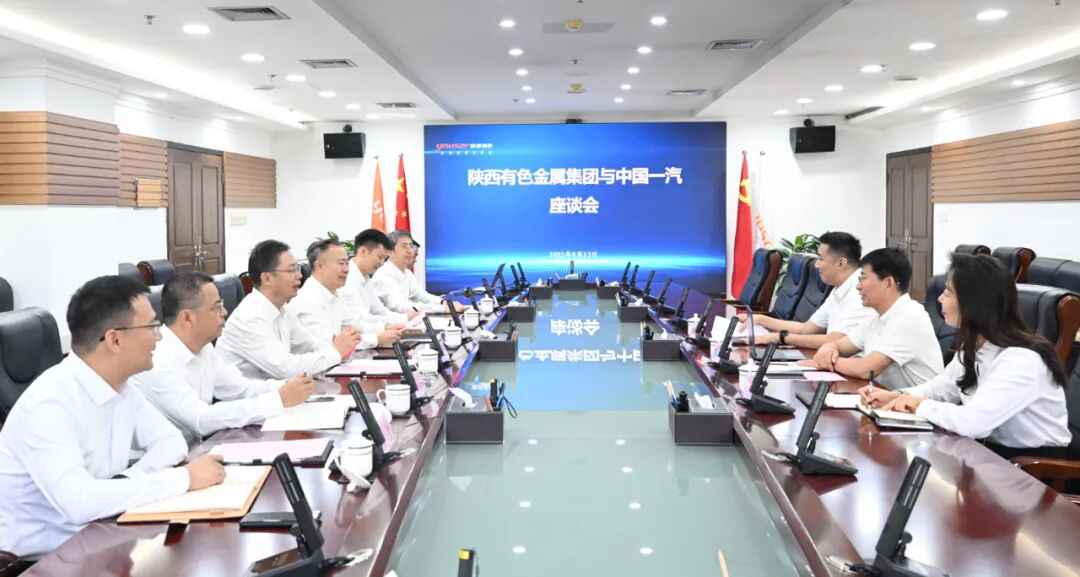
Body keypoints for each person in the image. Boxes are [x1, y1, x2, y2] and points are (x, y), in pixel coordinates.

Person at [0, 276, 224, 558]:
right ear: (114, 340)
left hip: (103, 534)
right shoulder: (48, 404)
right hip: (40, 562)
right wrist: (182, 479)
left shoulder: (121, 386)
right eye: (152, 326)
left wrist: (123, 482)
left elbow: (171, 442)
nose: (159, 337)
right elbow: (80, 502)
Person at [860, 254, 1070, 459]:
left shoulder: (1020, 360)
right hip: (988, 451)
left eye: (948, 292)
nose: (940, 298)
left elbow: (972, 423)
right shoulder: (975, 345)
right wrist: (898, 396)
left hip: (1034, 465)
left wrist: (917, 404)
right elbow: (941, 389)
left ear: (974, 302)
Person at [132, 273, 317, 448]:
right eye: (217, 306)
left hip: (196, 450)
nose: (225, 311)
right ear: (187, 318)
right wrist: (278, 399)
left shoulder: (204, 347)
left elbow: (241, 389)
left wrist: (290, 387)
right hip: (160, 463)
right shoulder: (158, 360)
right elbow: (201, 420)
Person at [218, 240, 359, 379]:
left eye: (297, 269)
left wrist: (336, 348)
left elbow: (309, 345)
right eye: (291, 270)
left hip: (278, 388)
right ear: (267, 278)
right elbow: (285, 368)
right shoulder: (250, 317)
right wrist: (335, 352)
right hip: (252, 393)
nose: (299, 275)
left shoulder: (283, 308)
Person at [806, 247, 943, 389]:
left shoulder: (909, 317)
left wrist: (826, 361)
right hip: (883, 396)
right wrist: (829, 348)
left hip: (913, 402)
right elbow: (839, 346)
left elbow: (866, 370)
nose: (858, 286)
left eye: (863, 278)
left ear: (888, 283)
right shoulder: (876, 315)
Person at [742, 231, 873, 349]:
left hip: (850, 366)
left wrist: (780, 337)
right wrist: (760, 319)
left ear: (841, 263)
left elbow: (836, 340)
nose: (816, 265)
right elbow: (806, 329)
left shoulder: (859, 293)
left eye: (820, 259)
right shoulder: (840, 287)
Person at [292, 238, 401, 348]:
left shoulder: (335, 294)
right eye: (341, 263)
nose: (346, 269)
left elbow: (353, 325)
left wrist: (385, 328)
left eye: (347, 263)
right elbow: (332, 344)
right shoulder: (307, 300)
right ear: (320, 266)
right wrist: (377, 338)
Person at [343, 228, 421, 327]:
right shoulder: (347, 279)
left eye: (384, 259)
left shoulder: (366, 278)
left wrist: (406, 317)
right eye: (380, 257)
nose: (382, 263)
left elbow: (380, 311)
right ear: (363, 251)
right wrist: (405, 318)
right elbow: (362, 319)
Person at [372, 229, 463, 314]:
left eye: (411, 246)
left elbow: (422, 296)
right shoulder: (384, 275)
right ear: (390, 252)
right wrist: (443, 309)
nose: (410, 251)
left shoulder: (406, 272)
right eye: (404, 246)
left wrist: (444, 302)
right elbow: (401, 307)